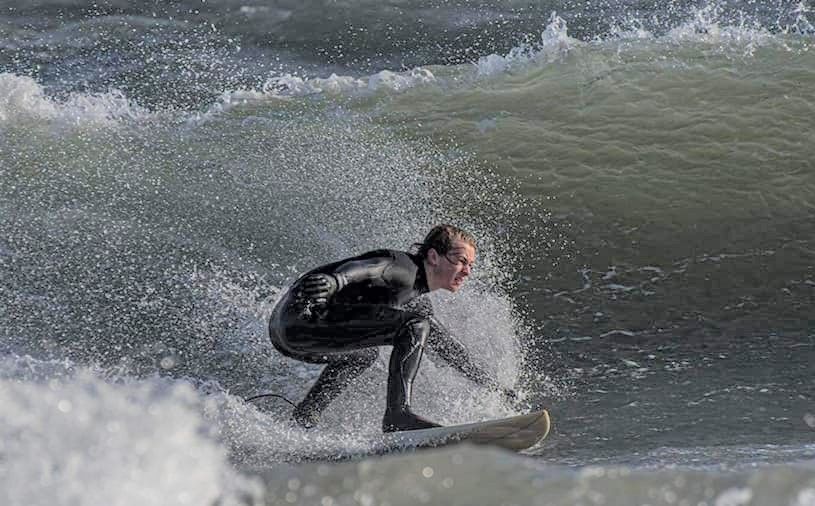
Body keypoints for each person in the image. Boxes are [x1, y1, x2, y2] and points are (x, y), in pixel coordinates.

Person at [268, 224, 516, 432]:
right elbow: (364, 267)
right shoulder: (401, 267)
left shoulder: (417, 298)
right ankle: (398, 416)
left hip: (288, 334)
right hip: (301, 321)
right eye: (461, 261)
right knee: (414, 325)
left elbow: (444, 345)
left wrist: (490, 384)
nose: (467, 272)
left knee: (363, 355)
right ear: (433, 257)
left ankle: (305, 416)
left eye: (471, 265)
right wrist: (336, 280)